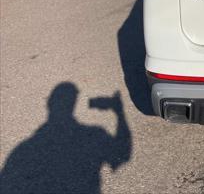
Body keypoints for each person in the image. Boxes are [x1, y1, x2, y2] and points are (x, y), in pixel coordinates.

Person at [0, 82, 131, 194]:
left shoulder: (22, 149)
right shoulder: (96, 134)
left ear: (49, 104)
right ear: (74, 103)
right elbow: (122, 154)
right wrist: (119, 113)